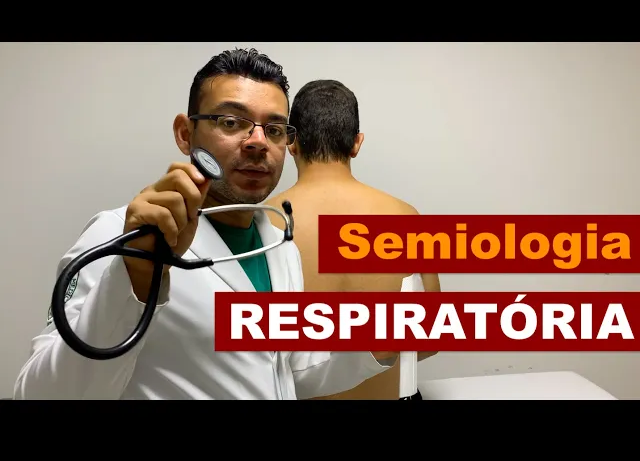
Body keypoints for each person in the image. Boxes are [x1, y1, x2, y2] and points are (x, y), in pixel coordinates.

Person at [13, 50, 400, 400]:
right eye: (231, 122)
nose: (258, 142)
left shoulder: (279, 245)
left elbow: (286, 370)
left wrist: (375, 344)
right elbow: (42, 393)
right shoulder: (119, 237)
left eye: (275, 129)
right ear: (186, 134)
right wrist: (134, 278)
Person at [265, 79, 441, 400]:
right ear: (356, 143)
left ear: (291, 142)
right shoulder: (406, 218)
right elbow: (430, 341)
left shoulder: (262, 223)